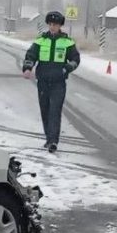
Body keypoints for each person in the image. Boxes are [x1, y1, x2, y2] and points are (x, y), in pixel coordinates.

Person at [23, 11, 80, 153]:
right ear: (48, 25)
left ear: (60, 25)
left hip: (58, 82)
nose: (53, 27)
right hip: (42, 81)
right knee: (45, 110)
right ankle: (49, 138)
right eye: (51, 24)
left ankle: (53, 141)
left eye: (56, 24)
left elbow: (75, 59)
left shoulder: (68, 42)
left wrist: (67, 68)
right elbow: (31, 55)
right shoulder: (40, 40)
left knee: (55, 110)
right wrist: (28, 68)